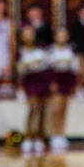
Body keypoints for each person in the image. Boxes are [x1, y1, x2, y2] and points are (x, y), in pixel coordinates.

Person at [15, 25, 50, 155]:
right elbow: (19, 72)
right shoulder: (20, 51)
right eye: (25, 33)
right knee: (32, 108)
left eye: (30, 33)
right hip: (29, 81)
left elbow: (47, 65)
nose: (28, 35)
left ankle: (40, 137)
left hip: (42, 79)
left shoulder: (41, 49)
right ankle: (28, 137)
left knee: (42, 109)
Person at [46, 27, 78, 153]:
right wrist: (51, 82)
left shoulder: (70, 51)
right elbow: (48, 68)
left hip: (67, 80)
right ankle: (55, 134)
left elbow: (74, 68)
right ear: (55, 37)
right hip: (56, 80)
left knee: (64, 108)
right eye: (60, 35)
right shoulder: (51, 51)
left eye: (64, 35)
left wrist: (74, 85)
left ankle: (61, 134)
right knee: (56, 108)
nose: (62, 38)